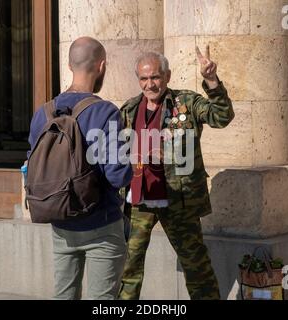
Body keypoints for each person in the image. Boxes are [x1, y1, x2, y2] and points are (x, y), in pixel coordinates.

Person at [118, 47, 235, 300]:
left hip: (179, 200)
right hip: (138, 199)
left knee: (196, 267)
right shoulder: (128, 109)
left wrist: (212, 81)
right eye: (144, 79)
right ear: (138, 80)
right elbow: (117, 151)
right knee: (129, 266)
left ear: (167, 75)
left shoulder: (187, 102)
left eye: (156, 77)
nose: (150, 84)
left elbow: (222, 117)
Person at [28, 37, 133, 300]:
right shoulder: (105, 111)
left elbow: (31, 167)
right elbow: (117, 175)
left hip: (60, 222)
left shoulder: (43, 113)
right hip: (102, 225)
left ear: (69, 64)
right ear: (102, 66)